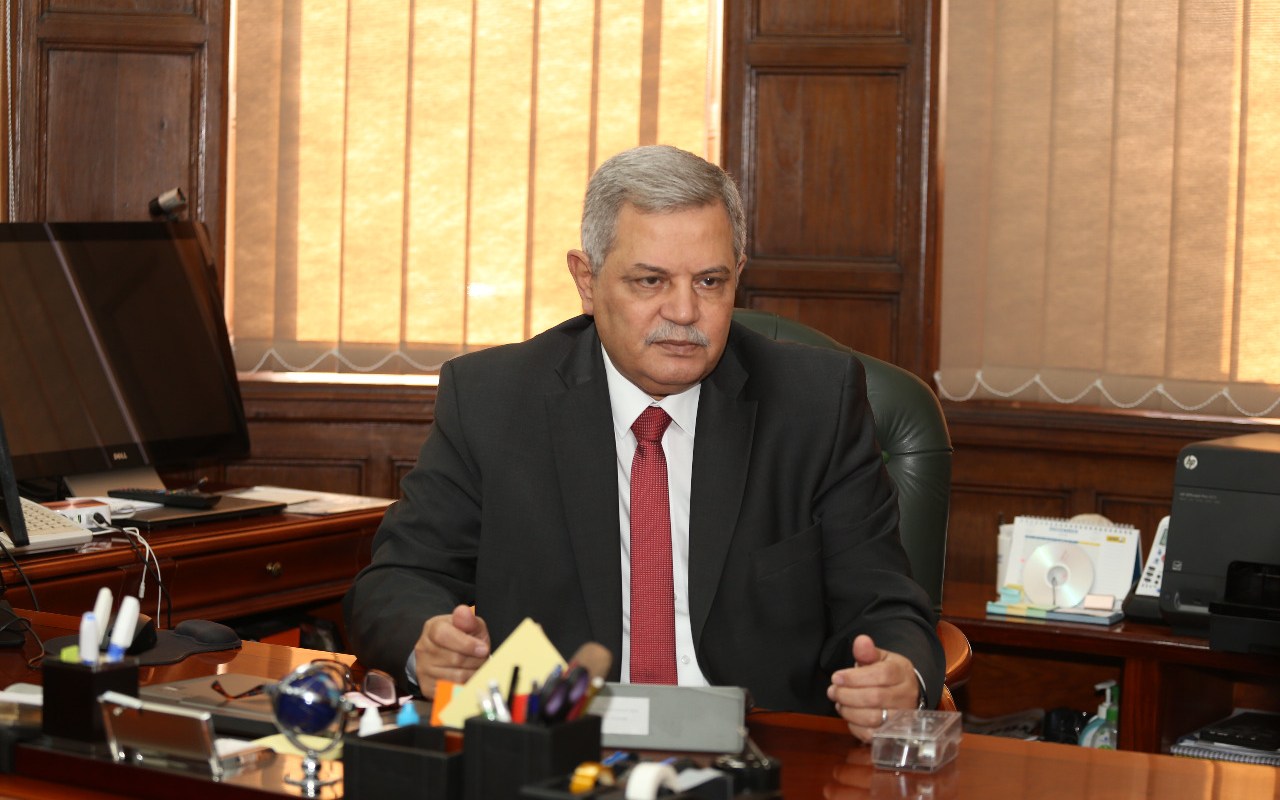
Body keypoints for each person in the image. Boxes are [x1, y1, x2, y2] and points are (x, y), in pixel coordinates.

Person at [343, 144, 944, 741]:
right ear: (587, 280)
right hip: (557, 744)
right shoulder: (493, 400)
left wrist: (899, 674)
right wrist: (429, 644)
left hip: (761, 749)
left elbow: (884, 603)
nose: (684, 311)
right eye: (650, 280)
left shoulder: (815, 403)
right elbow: (397, 579)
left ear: (737, 275)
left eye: (710, 281)